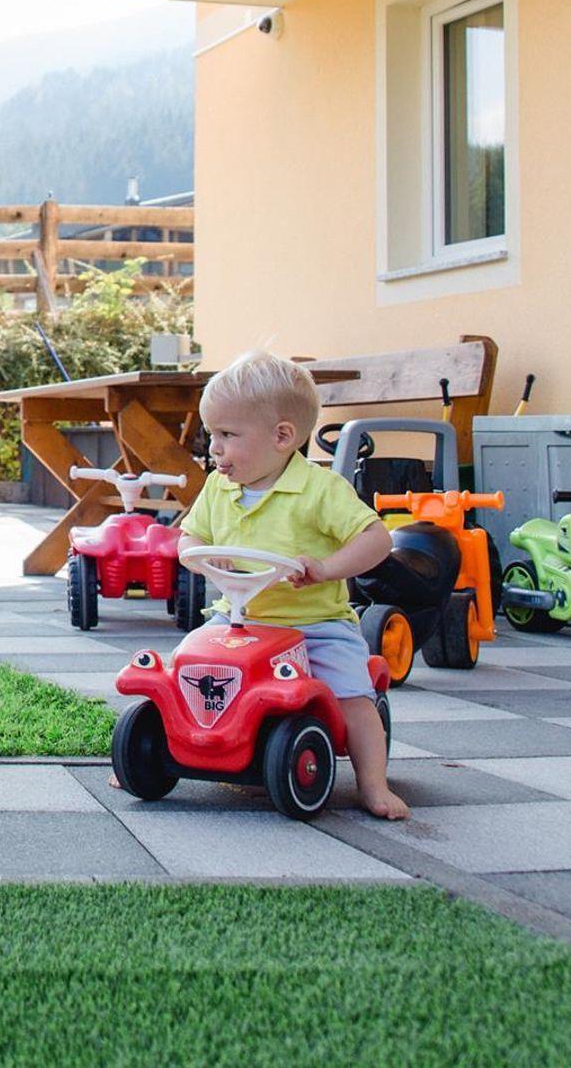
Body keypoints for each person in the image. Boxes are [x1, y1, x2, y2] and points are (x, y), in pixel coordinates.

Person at [178, 349, 408, 819]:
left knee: (351, 694)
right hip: (239, 619)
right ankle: (162, 749)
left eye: (227, 435)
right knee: (187, 666)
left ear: (282, 437)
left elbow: (377, 539)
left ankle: (373, 783)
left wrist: (325, 568)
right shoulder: (219, 487)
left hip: (314, 625)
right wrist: (201, 556)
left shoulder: (320, 489)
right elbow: (188, 538)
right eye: (211, 434)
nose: (214, 448)